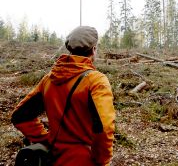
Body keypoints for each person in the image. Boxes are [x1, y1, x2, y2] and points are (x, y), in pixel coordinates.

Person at [11, 26, 115, 166]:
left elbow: (20, 116)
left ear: (70, 49)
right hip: (85, 160)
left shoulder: (49, 79)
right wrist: (101, 160)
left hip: (54, 158)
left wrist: (45, 139)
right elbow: (104, 127)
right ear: (94, 49)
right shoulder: (96, 81)